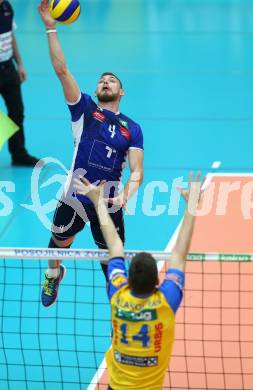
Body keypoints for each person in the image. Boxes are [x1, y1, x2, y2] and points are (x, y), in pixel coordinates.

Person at [38, 0, 144, 307]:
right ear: (97, 91)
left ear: (121, 92)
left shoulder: (131, 128)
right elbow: (61, 70)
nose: (106, 81)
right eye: (102, 80)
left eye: (112, 80)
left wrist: (127, 194)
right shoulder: (84, 111)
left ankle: (118, 312)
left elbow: (137, 170)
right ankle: (53, 275)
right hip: (75, 196)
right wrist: (50, 27)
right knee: (58, 246)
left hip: (108, 202)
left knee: (112, 263)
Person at [74, 172, 202, 390]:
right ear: (157, 282)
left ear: (128, 280)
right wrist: (191, 207)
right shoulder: (165, 302)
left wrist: (98, 202)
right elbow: (180, 256)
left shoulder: (118, 292)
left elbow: (114, 245)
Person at [0, 0, 40, 166]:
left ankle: (19, 154)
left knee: (17, 111)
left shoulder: (7, 7)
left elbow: (10, 36)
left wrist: (20, 63)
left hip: (8, 68)